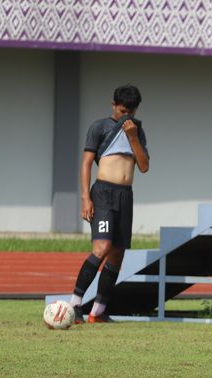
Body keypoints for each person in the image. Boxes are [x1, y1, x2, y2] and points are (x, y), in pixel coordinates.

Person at [69, 84, 149, 323]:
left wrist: (133, 136)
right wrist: (85, 198)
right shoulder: (99, 127)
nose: (126, 116)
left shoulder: (138, 130)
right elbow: (85, 164)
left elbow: (144, 166)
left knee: (117, 255)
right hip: (103, 192)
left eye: (131, 112)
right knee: (101, 248)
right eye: (122, 110)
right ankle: (75, 305)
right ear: (113, 105)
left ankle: (98, 312)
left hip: (126, 195)